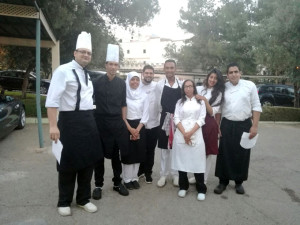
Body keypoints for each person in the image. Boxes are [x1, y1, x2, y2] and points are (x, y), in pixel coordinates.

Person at [46, 31, 102, 216]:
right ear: (74, 53)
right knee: (67, 163)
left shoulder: (87, 75)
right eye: (82, 52)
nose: (86, 55)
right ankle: (64, 201)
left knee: (88, 163)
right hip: (69, 122)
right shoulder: (63, 71)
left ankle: (83, 199)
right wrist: (53, 126)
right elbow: (52, 100)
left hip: (88, 121)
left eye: (89, 53)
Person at [214, 62, 262, 195]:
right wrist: (217, 126)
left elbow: (256, 106)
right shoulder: (223, 87)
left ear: (240, 72)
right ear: (227, 75)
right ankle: (222, 181)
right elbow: (218, 109)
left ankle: (239, 182)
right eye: (230, 72)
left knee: (242, 153)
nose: (233, 74)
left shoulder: (249, 86)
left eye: (236, 71)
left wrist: (255, 126)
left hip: (244, 124)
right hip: (227, 123)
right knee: (224, 153)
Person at [92, 44, 129, 199]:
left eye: (115, 65)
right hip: (99, 123)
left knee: (116, 156)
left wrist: (124, 122)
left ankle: (116, 182)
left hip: (116, 124)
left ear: (118, 66)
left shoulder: (122, 83)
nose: (113, 67)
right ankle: (98, 185)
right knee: (98, 157)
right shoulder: (96, 82)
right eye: (110, 64)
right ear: (106, 65)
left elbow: (123, 104)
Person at [171, 79, 207, 201]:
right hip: (181, 133)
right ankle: (183, 187)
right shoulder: (179, 102)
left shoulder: (200, 102)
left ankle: (201, 188)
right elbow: (176, 118)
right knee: (182, 161)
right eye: (186, 86)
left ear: (194, 88)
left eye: (190, 86)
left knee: (197, 161)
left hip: (196, 132)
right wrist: (184, 133)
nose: (188, 88)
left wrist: (190, 133)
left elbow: (202, 119)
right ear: (183, 89)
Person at [189, 69, 225, 184]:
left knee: (207, 153)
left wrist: (204, 100)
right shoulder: (199, 89)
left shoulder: (218, 94)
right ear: (207, 77)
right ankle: (196, 176)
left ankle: (203, 180)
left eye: (215, 78)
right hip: (196, 123)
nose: (213, 80)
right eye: (211, 77)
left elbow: (212, 112)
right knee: (196, 151)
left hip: (209, 124)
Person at [155, 59, 184, 187]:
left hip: (178, 120)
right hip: (165, 118)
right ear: (164, 69)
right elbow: (157, 104)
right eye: (167, 68)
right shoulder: (160, 85)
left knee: (177, 148)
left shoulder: (181, 84)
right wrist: (163, 117)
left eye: (172, 68)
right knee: (164, 149)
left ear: (175, 69)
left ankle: (176, 175)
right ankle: (163, 175)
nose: (169, 70)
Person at [122, 71, 149, 190]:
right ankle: (126, 179)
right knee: (128, 153)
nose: (135, 82)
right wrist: (130, 129)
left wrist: (137, 129)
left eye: (137, 79)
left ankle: (134, 178)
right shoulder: (123, 95)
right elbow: (121, 115)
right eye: (132, 79)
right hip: (126, 125)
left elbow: (146, 114)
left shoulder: (144, 95)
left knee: (138, 152)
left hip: (140, 126)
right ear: (128, 80)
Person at [137, 65, 160, 183]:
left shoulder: (157, 86)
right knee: (140, 149)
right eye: (147, 73)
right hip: (140, 125)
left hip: (154, 124)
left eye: (151, 73)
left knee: (151, 150)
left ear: (153, 74)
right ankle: (140, 171)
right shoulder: (137, 86)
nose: (148, 75)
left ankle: (148, 172)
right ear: (142, 73)